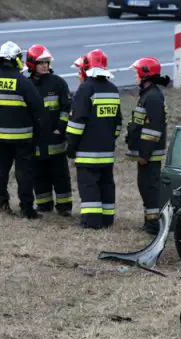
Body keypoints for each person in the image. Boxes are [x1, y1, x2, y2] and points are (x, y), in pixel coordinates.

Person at [0, 40, 45, 219]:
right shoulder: (22, 82)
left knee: (1, 170)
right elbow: (38, 108)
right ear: (16, 59)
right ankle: (27, 208)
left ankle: (3, 204)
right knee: (24, 173)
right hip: (21, 137)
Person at [65, 49, 122, 229]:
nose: (78, 74)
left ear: (86, 69)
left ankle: (92, 221)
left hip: (87, 152)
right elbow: (118, 124)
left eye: (79, 70)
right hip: (107, 151)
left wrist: (71, 146)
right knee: (106, 184)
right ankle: (107, 219)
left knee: (89, 185)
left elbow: (77, 123)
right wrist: (108, 140)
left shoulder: (85, 89)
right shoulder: (113, 89)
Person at [25, 44, 73, 216]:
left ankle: (64, 207)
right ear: (32, 64)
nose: (45, 65)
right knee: (38, 173)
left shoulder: (58, 83)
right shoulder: (26, 84)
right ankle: (44, 205)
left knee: (60, 174)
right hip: (35, 138)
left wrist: (60, 128)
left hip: (55, 138)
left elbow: (66, 108)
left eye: (46, 62)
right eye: (41, 62)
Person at [125, 56, 171, 234]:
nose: (135, 76)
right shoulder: (148, 94)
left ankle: (153, 224)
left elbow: (153, 129)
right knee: (145, 186)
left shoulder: (152, 97)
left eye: (137, 72)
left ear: (145, 75)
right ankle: (149, 221)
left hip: (150, 153)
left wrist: (145, 154)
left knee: (150, 188)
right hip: (147, 152)